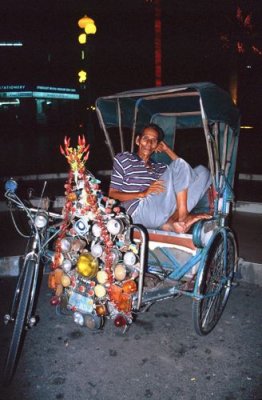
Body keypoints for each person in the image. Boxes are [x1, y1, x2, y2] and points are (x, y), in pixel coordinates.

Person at [109, 123, 212, 233]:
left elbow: (187, 174)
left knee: (203, 172)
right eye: (145, 138)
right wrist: (142, 194)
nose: (149, 143)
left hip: (159, 211)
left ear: (157, 145)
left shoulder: (160, 167)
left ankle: (172, 222)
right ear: (138, 140)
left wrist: (167, 149)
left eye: (153, 140)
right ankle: (183, 217)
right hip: (137, 213)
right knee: (179, 165)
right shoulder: (124, 159)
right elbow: (112, 194)